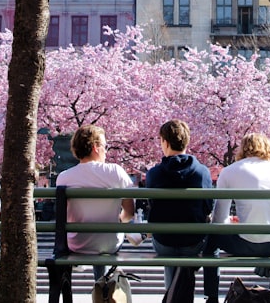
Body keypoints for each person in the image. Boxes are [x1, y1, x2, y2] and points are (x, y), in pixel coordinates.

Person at [204, 132, 270, 303]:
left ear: (242, 149)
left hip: (251, 243)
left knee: (212, 237)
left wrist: (232, 224)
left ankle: (212, 296)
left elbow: (219, 219)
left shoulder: (230, 171)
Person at [54, 124, 135, 280]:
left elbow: (63, 216)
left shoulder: (64, 177)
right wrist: (119, 220)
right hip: (109, 244)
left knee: (94, 239)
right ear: (95, 147)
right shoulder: (115, 172)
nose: (106, 151)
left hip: (77, 243)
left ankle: (99, 282)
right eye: (105, 146)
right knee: (103, 241)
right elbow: (130, 212)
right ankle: (103, 285)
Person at [145, 120, 215, 292]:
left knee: (169, 246)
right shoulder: (202, 172)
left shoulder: (154, 174)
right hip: (193, 241)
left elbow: (151, 205)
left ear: (165, 142)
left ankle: (172, 294)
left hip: (164, 240)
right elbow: (208, 207)